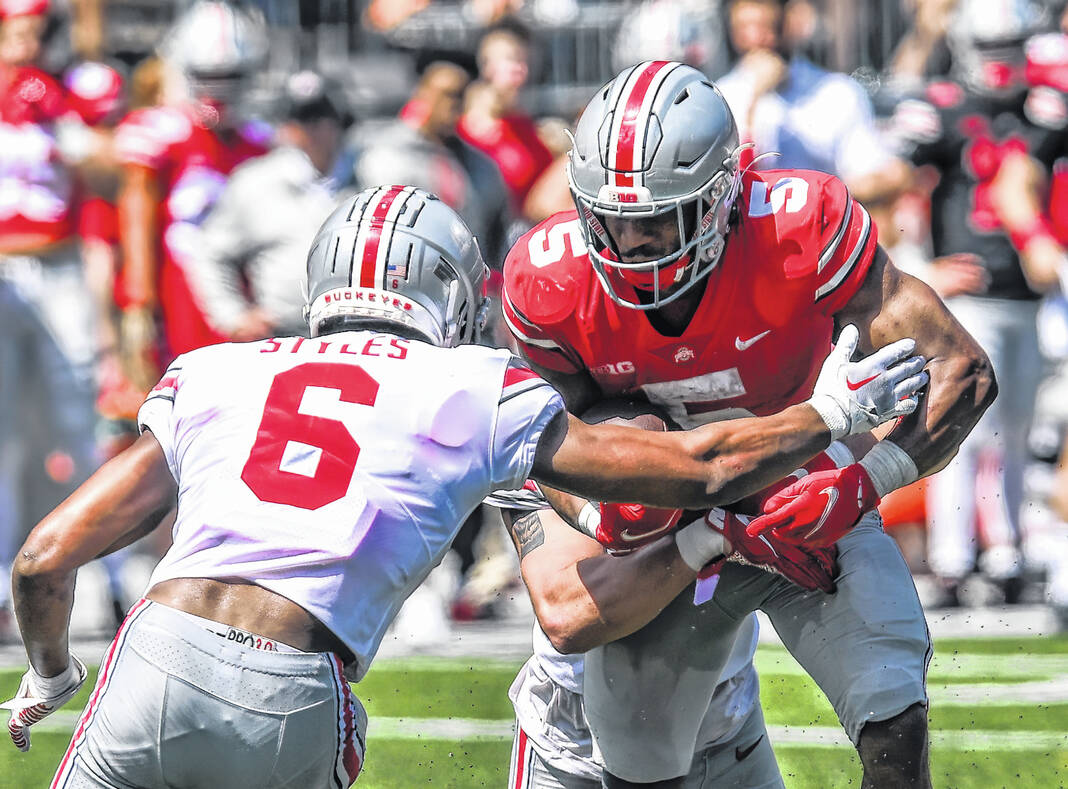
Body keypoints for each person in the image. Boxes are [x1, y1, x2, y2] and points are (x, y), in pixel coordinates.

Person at [1, 184, 927, 787]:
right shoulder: (471, 382)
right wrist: (827, 417)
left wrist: (50, 672)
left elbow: (43, 556)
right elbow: (694, 469)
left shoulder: (214, 368)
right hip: (299, 682)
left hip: (151, 652)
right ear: (452, 293)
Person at [502, 61, 996, 786]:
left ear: (723, 196)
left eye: (657, 219)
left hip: (807, 505)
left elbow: (963, 369)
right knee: (638, 754)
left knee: (895, 715)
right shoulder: (551, 282)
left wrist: (869, 480)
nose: (631, 246)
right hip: (673, 539)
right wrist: (602, 502)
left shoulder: (798, 228)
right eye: (612, 219)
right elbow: (547, 448)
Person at [888, 0, 1061, 605]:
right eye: (987, 48)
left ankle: (1007, 551)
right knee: (965, 427)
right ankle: (953, 557)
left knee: (1017, 430)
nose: (998, 63)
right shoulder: (939, 107)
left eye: (1007, 47)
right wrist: (919, 268)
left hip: (1029, 296)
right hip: (970, 297)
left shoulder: (1045, 108)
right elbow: (888, 185)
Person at [114, 0, 271, 386]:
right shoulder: (161, 133)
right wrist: (139, 300)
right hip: (177, 296)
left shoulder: (263, 142)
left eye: (230, 75)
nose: (218, 89)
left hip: (240, 300)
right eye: (207, 75)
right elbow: (137, 212)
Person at [184, 69, 352, 341]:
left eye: (320, 117)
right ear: (285, 125)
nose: (310, 129)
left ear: (339, 121)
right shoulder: (254, 182)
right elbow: (210, 253)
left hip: (358, 334)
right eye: (299, 118)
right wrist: (232, 315)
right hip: (282, 336)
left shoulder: (370, 178)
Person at [716, 0, 910, 206]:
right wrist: (753, 101)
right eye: (744, 28)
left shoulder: (836, 92)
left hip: (820, 229)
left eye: (765, 27)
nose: (755, 39)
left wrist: (812, 198)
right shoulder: (720, 97)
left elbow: (872, 174)